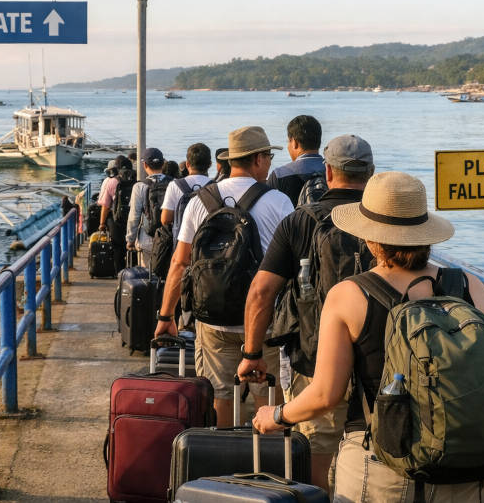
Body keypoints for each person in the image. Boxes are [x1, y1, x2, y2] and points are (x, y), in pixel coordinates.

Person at [251, 172, 484, 502]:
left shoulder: (350, 295)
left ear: (371, 240)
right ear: (425, 234)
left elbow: (326, 394)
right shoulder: (470, 286)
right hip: (468, 462)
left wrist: (277, 415)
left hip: (382, 467)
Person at [238, 134, 374, 492]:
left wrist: (252, 353)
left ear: (327, 172)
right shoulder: (386, 222)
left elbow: (261, 291)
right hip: (380, 367)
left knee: (315, 462)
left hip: (314, 363)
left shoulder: (300, 221)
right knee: (375, 462)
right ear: (372, 174)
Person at [155, 126, 294, 426]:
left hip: (212, 318)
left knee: (220, 394)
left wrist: (166, 315)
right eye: (268, 157)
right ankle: (265, 459)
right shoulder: (279, 202)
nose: (269, 163)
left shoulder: (199, 202)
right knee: (266, 395)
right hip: (264, 321)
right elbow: (292, 266)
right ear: (257, 159)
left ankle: (224, 456)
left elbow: (179, 264)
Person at [125, 148, 169, 268]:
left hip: (147, 240)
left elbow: (134, 216)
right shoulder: (174, 184)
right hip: (170, 239)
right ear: (163, 162)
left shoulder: (139, 187)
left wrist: (130, 239)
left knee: (147, 278)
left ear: (144, 164)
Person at [268, 115, 325, 205]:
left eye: (288, 141)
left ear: (294, 142)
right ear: (319, 141)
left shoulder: (279, 175)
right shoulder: (333, 171)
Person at [161, 143, 212, 243]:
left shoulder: (174, 185)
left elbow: (165, 219)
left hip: (182, 242)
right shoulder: (216, 186)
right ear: (210, 164)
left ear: (187, 164)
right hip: (208, 244)